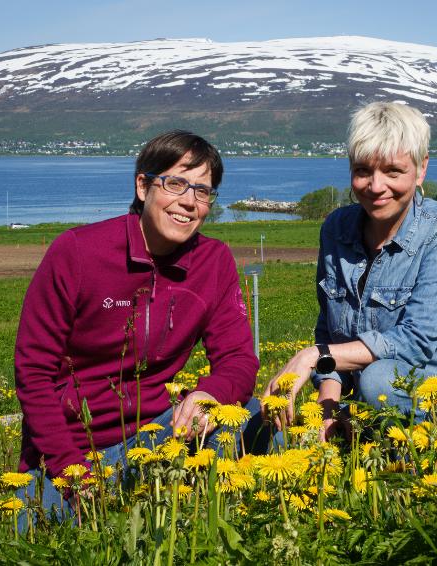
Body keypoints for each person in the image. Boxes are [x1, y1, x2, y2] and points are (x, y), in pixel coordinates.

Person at [15, 130, 261, 519]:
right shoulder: (77, 253)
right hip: (73, 452)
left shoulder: (213, 261)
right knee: (23, 535)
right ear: (143, 186)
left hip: (162, 435)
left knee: (250, 416)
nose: (189, 202)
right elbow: (33, 372)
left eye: (203, 191)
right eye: (176, 183)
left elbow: (238, 359)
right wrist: (73, 472)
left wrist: (209, 395)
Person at [264, 102, 437, 439]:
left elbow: (414, 343)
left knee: (378, 380)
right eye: (363, 170)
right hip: (367, 401)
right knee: (280, 433)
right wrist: (327, 408)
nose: (375, 186)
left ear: (421, 168)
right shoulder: (336, 229)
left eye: (392, 171)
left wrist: (315, 357)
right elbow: (330, 330)